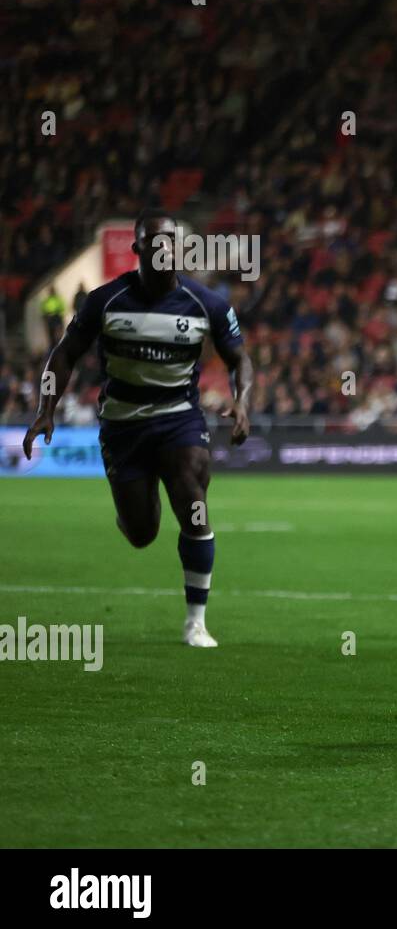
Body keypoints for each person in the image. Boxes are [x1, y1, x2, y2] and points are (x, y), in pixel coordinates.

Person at [24, 209, 254, 647]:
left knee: (193, 505)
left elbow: (239, 358)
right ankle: (130, 513)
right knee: (141, 533)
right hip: (123, 426)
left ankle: (196, 622)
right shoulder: (105, 300)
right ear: (138, 250)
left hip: (179, 421)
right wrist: (45, 408)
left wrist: (243, 404)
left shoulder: (207, 304)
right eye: (154, 242)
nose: (163, 248)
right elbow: (65, 352)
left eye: (170, 241)